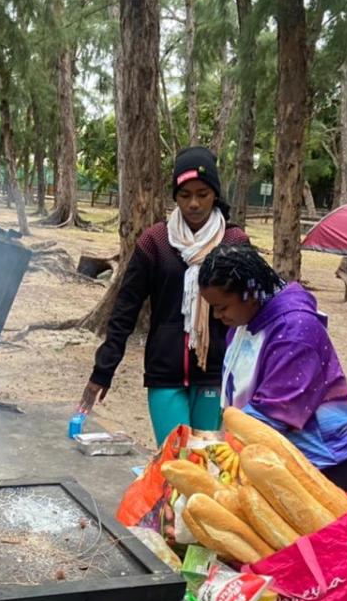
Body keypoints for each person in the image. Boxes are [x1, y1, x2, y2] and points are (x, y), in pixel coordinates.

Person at [82, 147, 248, 445]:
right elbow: (125, 308)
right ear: (175, 197)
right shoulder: (155, 242)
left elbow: (254, 306)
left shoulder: (234, 242)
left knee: (208, 461)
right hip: (165, 372)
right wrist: (103, 370)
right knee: (175, 458)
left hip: (215, 372)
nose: (194, 203)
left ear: (215, 194)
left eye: (202, 194)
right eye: (185, 195)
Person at [198, 243, 347, 492]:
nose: (216, 316)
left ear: (250, 294)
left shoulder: (295, 331)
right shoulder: (243, 323)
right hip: (275, 459)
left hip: (324, 465)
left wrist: (218, 452)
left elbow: (275, 410)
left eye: (222, 307)